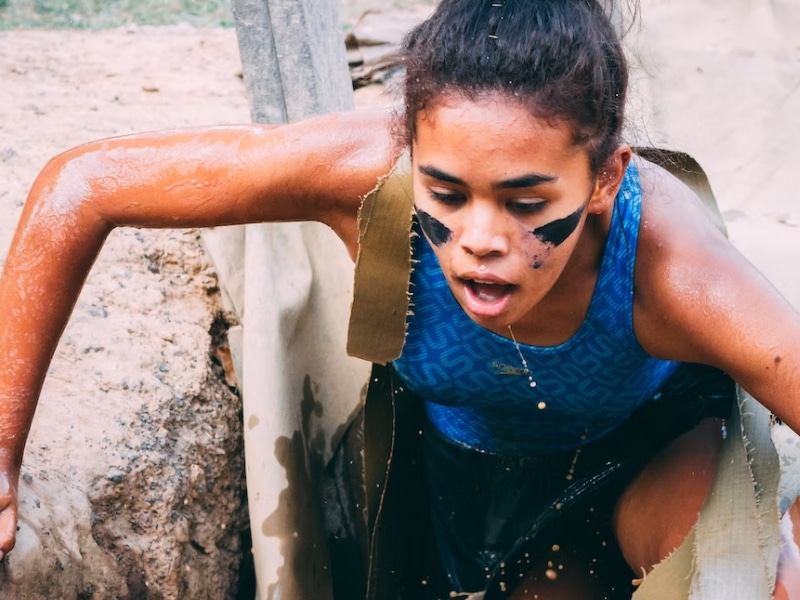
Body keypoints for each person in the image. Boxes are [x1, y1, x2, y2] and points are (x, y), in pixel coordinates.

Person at [0, 0, 798, 598]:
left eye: (525, 203)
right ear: (410, 152)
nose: (480, 237)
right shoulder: (362, 174)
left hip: (641, 459)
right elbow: (85, 184)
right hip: (456, 472)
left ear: (607, 178)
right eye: (446, 191)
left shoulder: (670, 268)